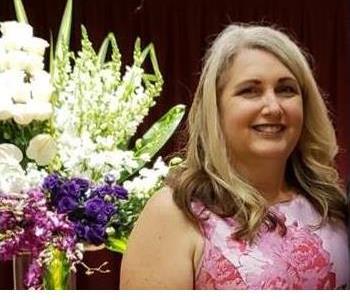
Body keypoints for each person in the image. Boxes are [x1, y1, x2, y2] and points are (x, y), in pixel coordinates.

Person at [120, 23, 349, 289]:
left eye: (286, 89)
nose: (273, 107)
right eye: (250, 91)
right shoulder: (175, 212)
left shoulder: (331, 205)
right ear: (215, 109)